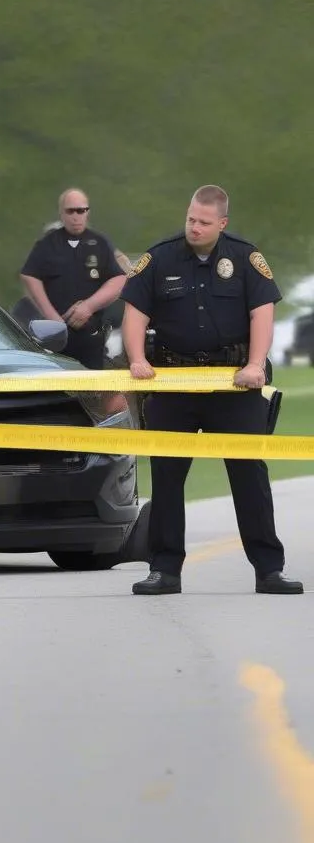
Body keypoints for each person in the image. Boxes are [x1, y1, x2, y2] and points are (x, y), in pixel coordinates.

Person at [120, 183, 302, 595]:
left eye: (204, 222)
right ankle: (164, 570)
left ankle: (269, 570)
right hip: (173, 385)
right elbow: (134, 313)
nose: (195, 227)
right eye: (190, 219)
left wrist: (256, 364)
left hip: (232, 384)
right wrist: (136, 358)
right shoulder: (159, 257)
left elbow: (262, 313)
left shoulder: (244, 257)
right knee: (167, 478)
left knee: (249, 476)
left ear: (222, 222)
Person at [19, 188, 127, 369]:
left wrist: (88, 306)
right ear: (62, 214)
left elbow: (119, 279)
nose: (76, 216)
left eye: (81, 210)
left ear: (87, 212)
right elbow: (30, 277)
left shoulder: (99, 244)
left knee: (104, 389)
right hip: (53, 341)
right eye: (70, 211)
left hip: (93, 339)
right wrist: (53, 318)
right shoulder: (46, 245)